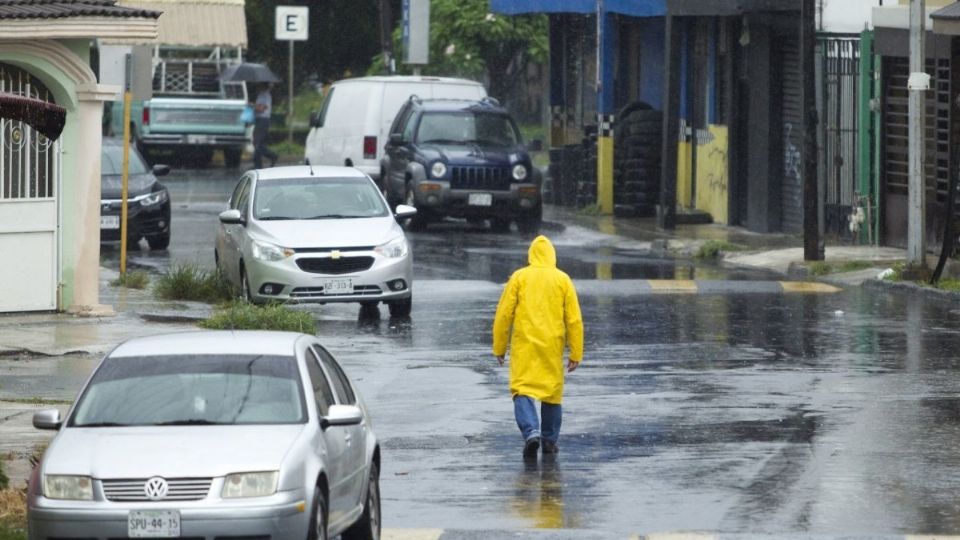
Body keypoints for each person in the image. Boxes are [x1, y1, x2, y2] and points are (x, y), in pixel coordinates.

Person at [493, 235, 584, 460]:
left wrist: (500, 347)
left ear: (531, 255)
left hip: (525, 346)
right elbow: (574, 319)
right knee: (552, 393)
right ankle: (550, 441)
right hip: (552, 347)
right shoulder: (563, 280)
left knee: (522, 389)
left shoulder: (519, 278)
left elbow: (504, 314)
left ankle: (531, 431)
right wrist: (576, 352)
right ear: (552, 255)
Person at [252, 82, 278, 169]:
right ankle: (257, 163)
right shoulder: (261, 95)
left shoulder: (265, 96)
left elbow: (262, 108)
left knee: (258, 143)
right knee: (256, 142)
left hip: (263, 120)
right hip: (259, 120)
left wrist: (252, 106)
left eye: (258, 85)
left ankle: (271, 156)